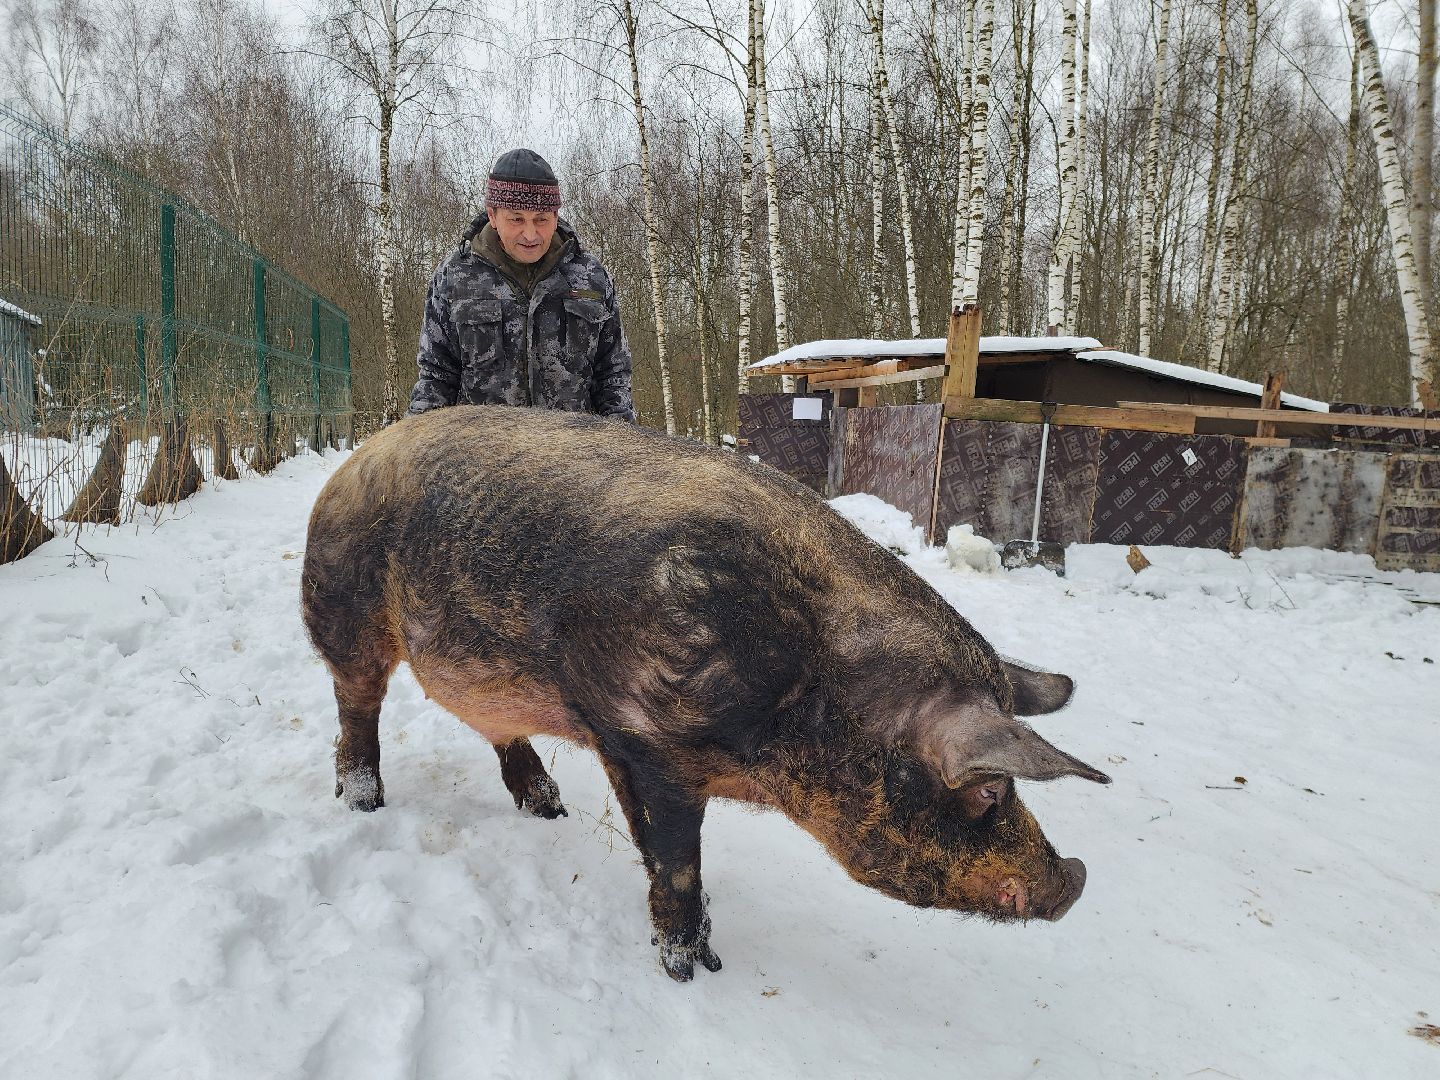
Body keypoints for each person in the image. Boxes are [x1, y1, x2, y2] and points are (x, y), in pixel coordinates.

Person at [406, 148, 635, 422]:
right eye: (516, 219)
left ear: (555, 214)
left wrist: (621, 449)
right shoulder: (454, 277)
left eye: (541, 219)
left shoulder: (591, 277)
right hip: (482, 456)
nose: (530, 234)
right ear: (492, 215)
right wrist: (416, 449)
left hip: (572, 456)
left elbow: (613, 377)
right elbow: (436, 377)